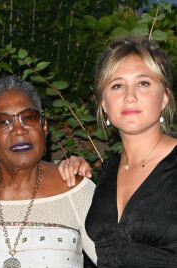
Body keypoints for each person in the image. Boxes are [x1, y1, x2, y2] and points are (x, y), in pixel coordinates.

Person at [0, 75, 97, 267]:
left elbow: (119, 259)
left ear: (43, 127)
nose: (19, 131)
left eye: (29, 117)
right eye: (3, 122)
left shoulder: (74, 189)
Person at [62, 36, 177, 267]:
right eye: (117, 85)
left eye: (143, 83)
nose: (129, 96)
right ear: (104, 104)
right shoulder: (106, 172)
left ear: (164, 97)